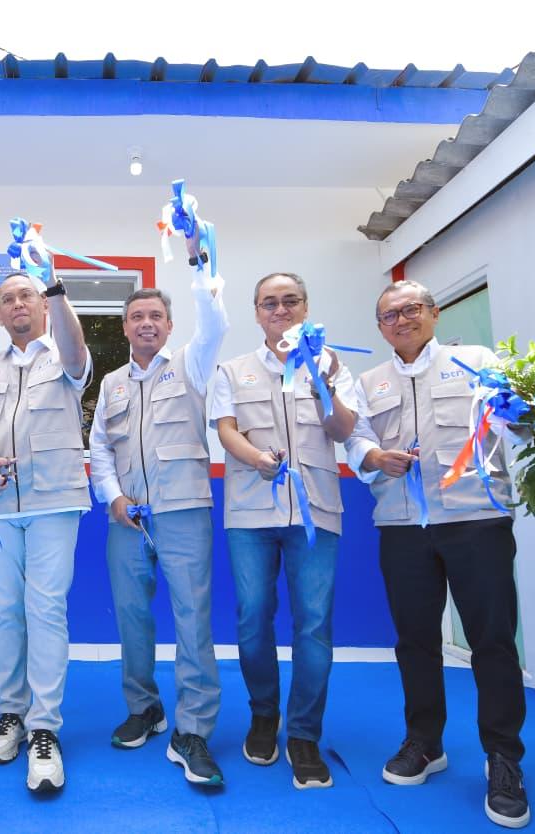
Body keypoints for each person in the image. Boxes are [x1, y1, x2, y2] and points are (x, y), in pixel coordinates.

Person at [344, 279, 530, 829]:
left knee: (492, 641)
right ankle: (424, 742)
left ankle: (504, 757)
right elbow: (354, 440)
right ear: (380, 327)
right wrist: (374, 456)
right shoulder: (369, 382)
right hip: (403, 526)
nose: (401, 320)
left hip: (476, 520)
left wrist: (523, 408)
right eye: (389, 315)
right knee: (416, 641)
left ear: (434, 312)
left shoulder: (478, 363)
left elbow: (518, 424)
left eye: (411, 309)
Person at [210, 272, 356, 790]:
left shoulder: (332, 364)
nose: (280, 310)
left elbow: (343, 430)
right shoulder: (232, 370)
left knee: (313, 625)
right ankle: (263, 715)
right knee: (253, 619)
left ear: (306, 307)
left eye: (290, 300)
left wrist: (321, 380)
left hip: (316, 512)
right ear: (256, 313)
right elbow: (226, 429)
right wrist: (256, 459)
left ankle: (304, 734)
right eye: (269, 303)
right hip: (251, 513)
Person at [88, 262, 228, 785]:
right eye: (137, 316)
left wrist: (199, 264)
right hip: (128, 518)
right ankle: (145, 707)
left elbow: (215, 323)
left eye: (155, 316)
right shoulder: (111, 384)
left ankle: (193, 730)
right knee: (131, 616)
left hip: (183, 511)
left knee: (192, 618)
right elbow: (100, 448)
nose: (146, 322)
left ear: (169, 326)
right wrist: (113, 497)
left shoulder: (193, 364)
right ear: (124, 327)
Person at [0, 246, 91, 794]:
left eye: (27, 295)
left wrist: (54, 282)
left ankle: (45, 727)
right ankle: (10, 715)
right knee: (4, 613)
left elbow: (77, 352)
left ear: (43, 304)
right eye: (8, 298)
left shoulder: (65, 353)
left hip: (53, 501)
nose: (18, 303)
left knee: (46, 610)